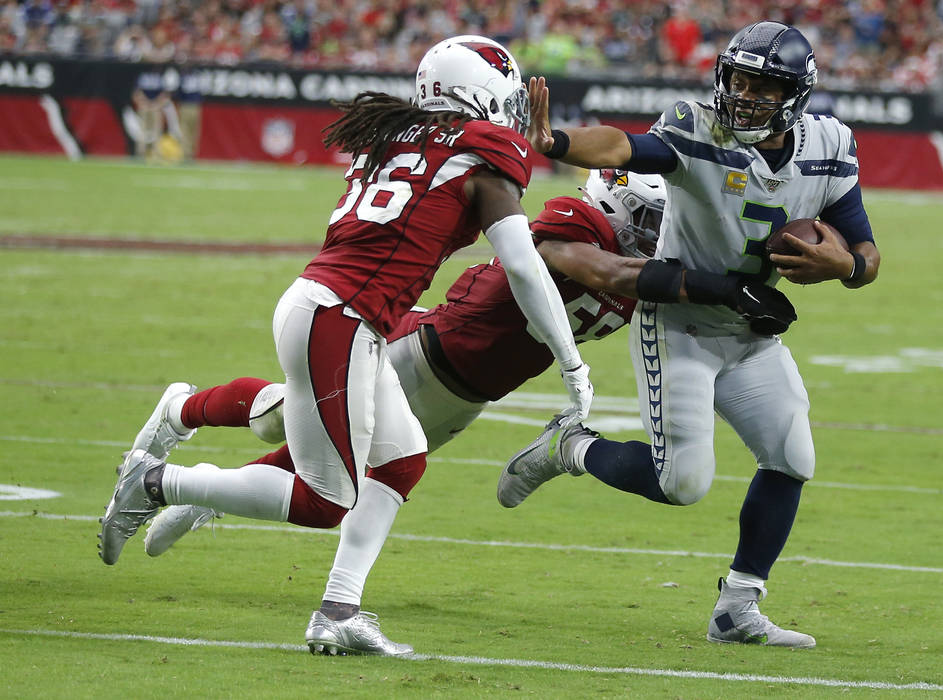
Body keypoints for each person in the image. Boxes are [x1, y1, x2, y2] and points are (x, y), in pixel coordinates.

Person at [98, 35, 594, 655]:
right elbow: (523, 268)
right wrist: (572, 363)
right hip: (342, 316)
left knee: (402, 457)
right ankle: (158, 484)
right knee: (322, 500)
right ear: (482, 92)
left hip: (336, 308)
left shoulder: (399, 137)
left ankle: (339, 609)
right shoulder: (481, 154)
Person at [498, 21, 881, 649]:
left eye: (764, 85)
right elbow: (625, 148)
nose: (747, 95)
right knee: (682, 482)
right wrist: (557, 141)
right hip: (679, 324)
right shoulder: (698, 126)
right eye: (740, 79)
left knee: (792, 457)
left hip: (750, 331)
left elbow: (863, 247)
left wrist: (847, 266)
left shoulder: (830, 145)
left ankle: (737, 607)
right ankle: (571, 446)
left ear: (797, 94)